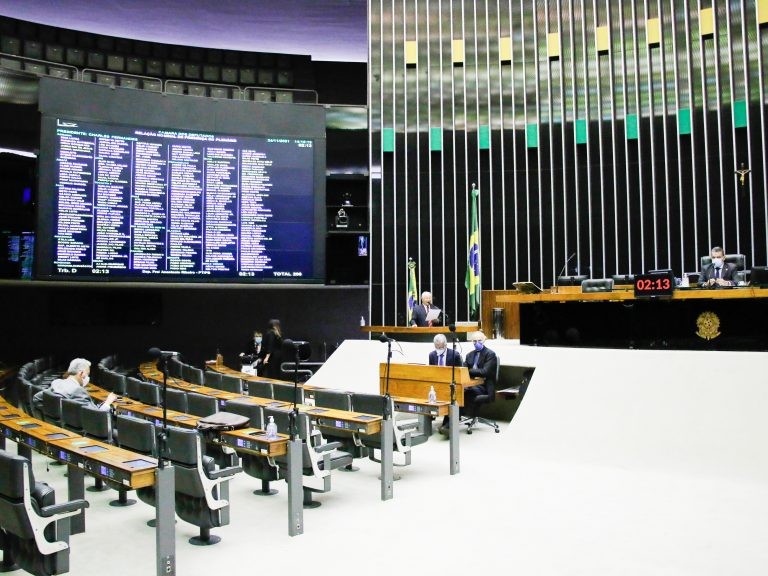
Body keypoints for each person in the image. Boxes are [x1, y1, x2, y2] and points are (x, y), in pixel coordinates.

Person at [33, 358, 116, 412]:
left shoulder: (57, 383)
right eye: (87, 374)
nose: (88, 378)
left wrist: (55, 414)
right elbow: (97, 415)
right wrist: (108, 402)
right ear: (81, 373)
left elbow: (36, 398)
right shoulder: (78, 391)